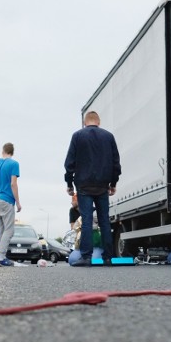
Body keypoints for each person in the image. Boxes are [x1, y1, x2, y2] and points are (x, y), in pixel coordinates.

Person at [63, 111, 121, 267]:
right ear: (99, 122)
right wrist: (113, 183)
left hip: (83, 185)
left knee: (87, 221)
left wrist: (69, 184)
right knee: (104, 221)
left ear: (84, 122)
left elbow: (69, 163)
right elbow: (116, 163)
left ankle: (86, 257)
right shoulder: (108, 137)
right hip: (103, 185)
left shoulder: (77, 136)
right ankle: (108, 257)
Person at [0, 142, 21, 266]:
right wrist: (18, 202)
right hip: (7, 200)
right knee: (9, 230)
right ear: (12, 152)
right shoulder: (14, 164)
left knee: (0, 229)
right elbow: (13, 184)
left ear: (3, 150)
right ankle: (2, 257)